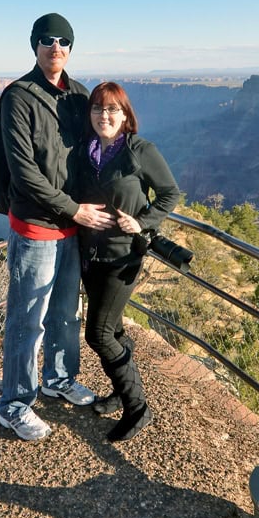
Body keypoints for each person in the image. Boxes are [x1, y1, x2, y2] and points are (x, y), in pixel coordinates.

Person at [0, 13, 115, 441]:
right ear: (34, 45)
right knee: (28, 321)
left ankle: (58, 378)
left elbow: (99, 150)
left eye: (65, 40)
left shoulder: (79, 96)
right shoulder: (19, 97)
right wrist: (75, 209)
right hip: (36, 229)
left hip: (73, 229)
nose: (57, 47)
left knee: (66, 314)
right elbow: (24, 172)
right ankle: (14, 404)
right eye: (48, 39)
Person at [75, 82, 180, 441]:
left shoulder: (139, 151)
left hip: (123, 258)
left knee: (98, 334)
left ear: (125, 114)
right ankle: (121, 393)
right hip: (90, 255)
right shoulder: (84, 151)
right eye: (97, 109)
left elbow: (170, 193)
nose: (104, 116)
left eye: (112, 109)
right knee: (114, 329)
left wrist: (144, 222)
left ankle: (138, 407)